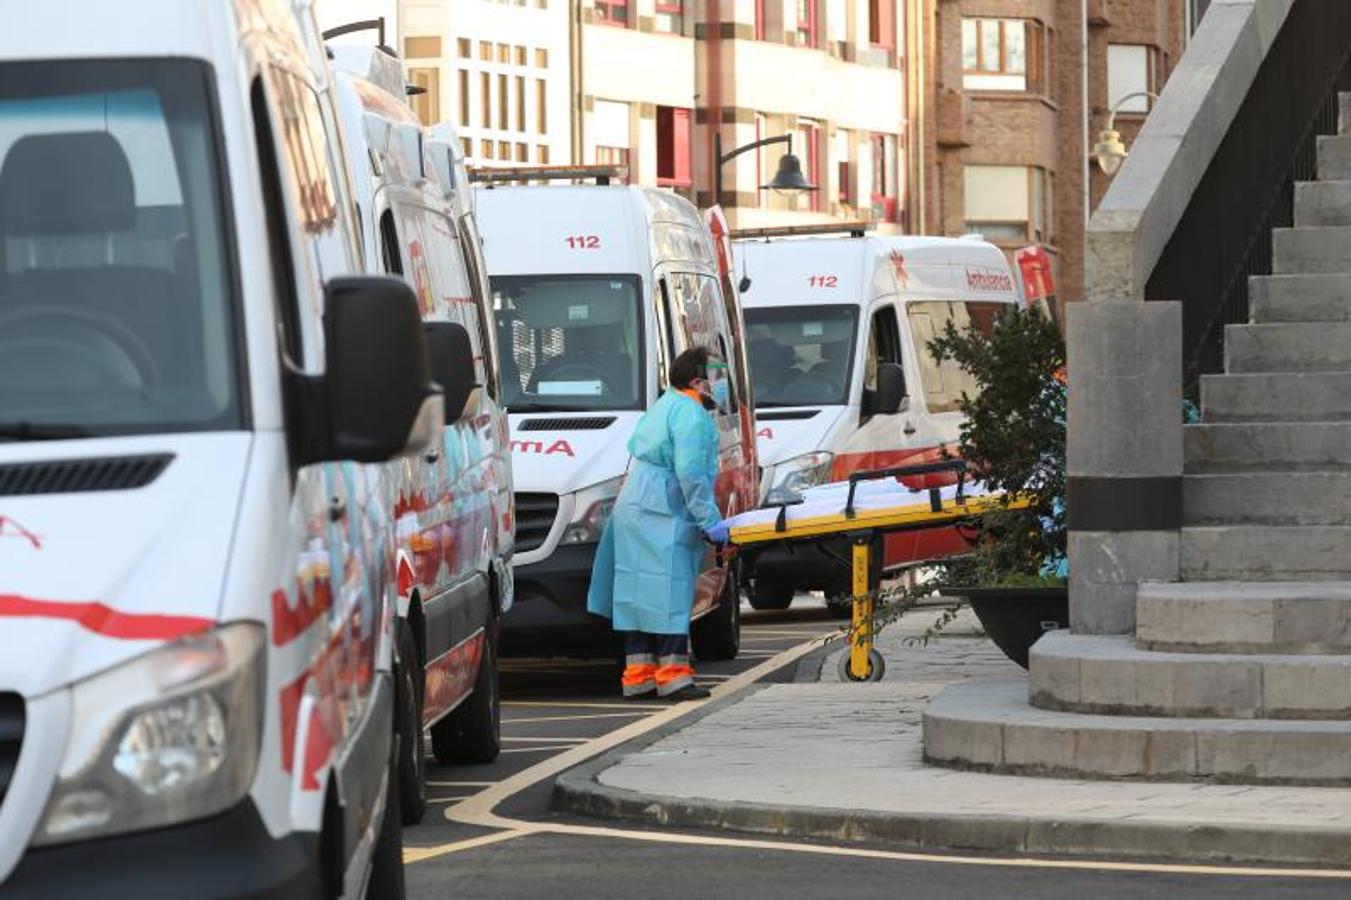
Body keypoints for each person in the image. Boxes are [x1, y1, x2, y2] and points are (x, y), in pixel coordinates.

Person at [587, 346, 732, 701]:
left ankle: (639, 676)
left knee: (638, 595)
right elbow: (692, 475)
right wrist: (711, 522)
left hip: (636, 502)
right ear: (698, 381)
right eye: (715, 378)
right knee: (670, 591)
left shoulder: (666, 404)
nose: (720, 385)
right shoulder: (692, 416)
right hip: (662, 510)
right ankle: (674, 677)